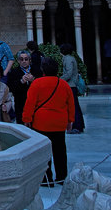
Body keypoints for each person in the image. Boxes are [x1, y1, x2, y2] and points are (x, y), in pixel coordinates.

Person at [22, 57, 75, 186]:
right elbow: (70, 104)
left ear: (43, 69)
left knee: (44, 152)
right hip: (59, 123)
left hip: (41, 123)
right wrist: (70, 121)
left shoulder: (37, 83)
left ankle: (46, 179)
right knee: (60, 151)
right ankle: (61, 177)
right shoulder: (63, 84)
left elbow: (30, 104)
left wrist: (27, 119)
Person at [8, 50, 42, 124]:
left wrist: (33, 80)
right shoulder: (14, 72)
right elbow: (11, 87)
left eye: (26, 59)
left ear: (29, 60)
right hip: (20, 104)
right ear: (18, 61)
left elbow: (42, 86)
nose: (24, 61)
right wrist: (21, 81)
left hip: (35, 105)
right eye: (21, 59)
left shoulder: (37, 70)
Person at [60, 43, 85, 133]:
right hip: (72, 84)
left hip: (71, 85)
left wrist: (59, 79)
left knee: (73, 106)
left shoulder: (68, 59)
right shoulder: (71, 58)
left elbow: (69, 73)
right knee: (75, 105)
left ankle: (77, 126)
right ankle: (79, 125)